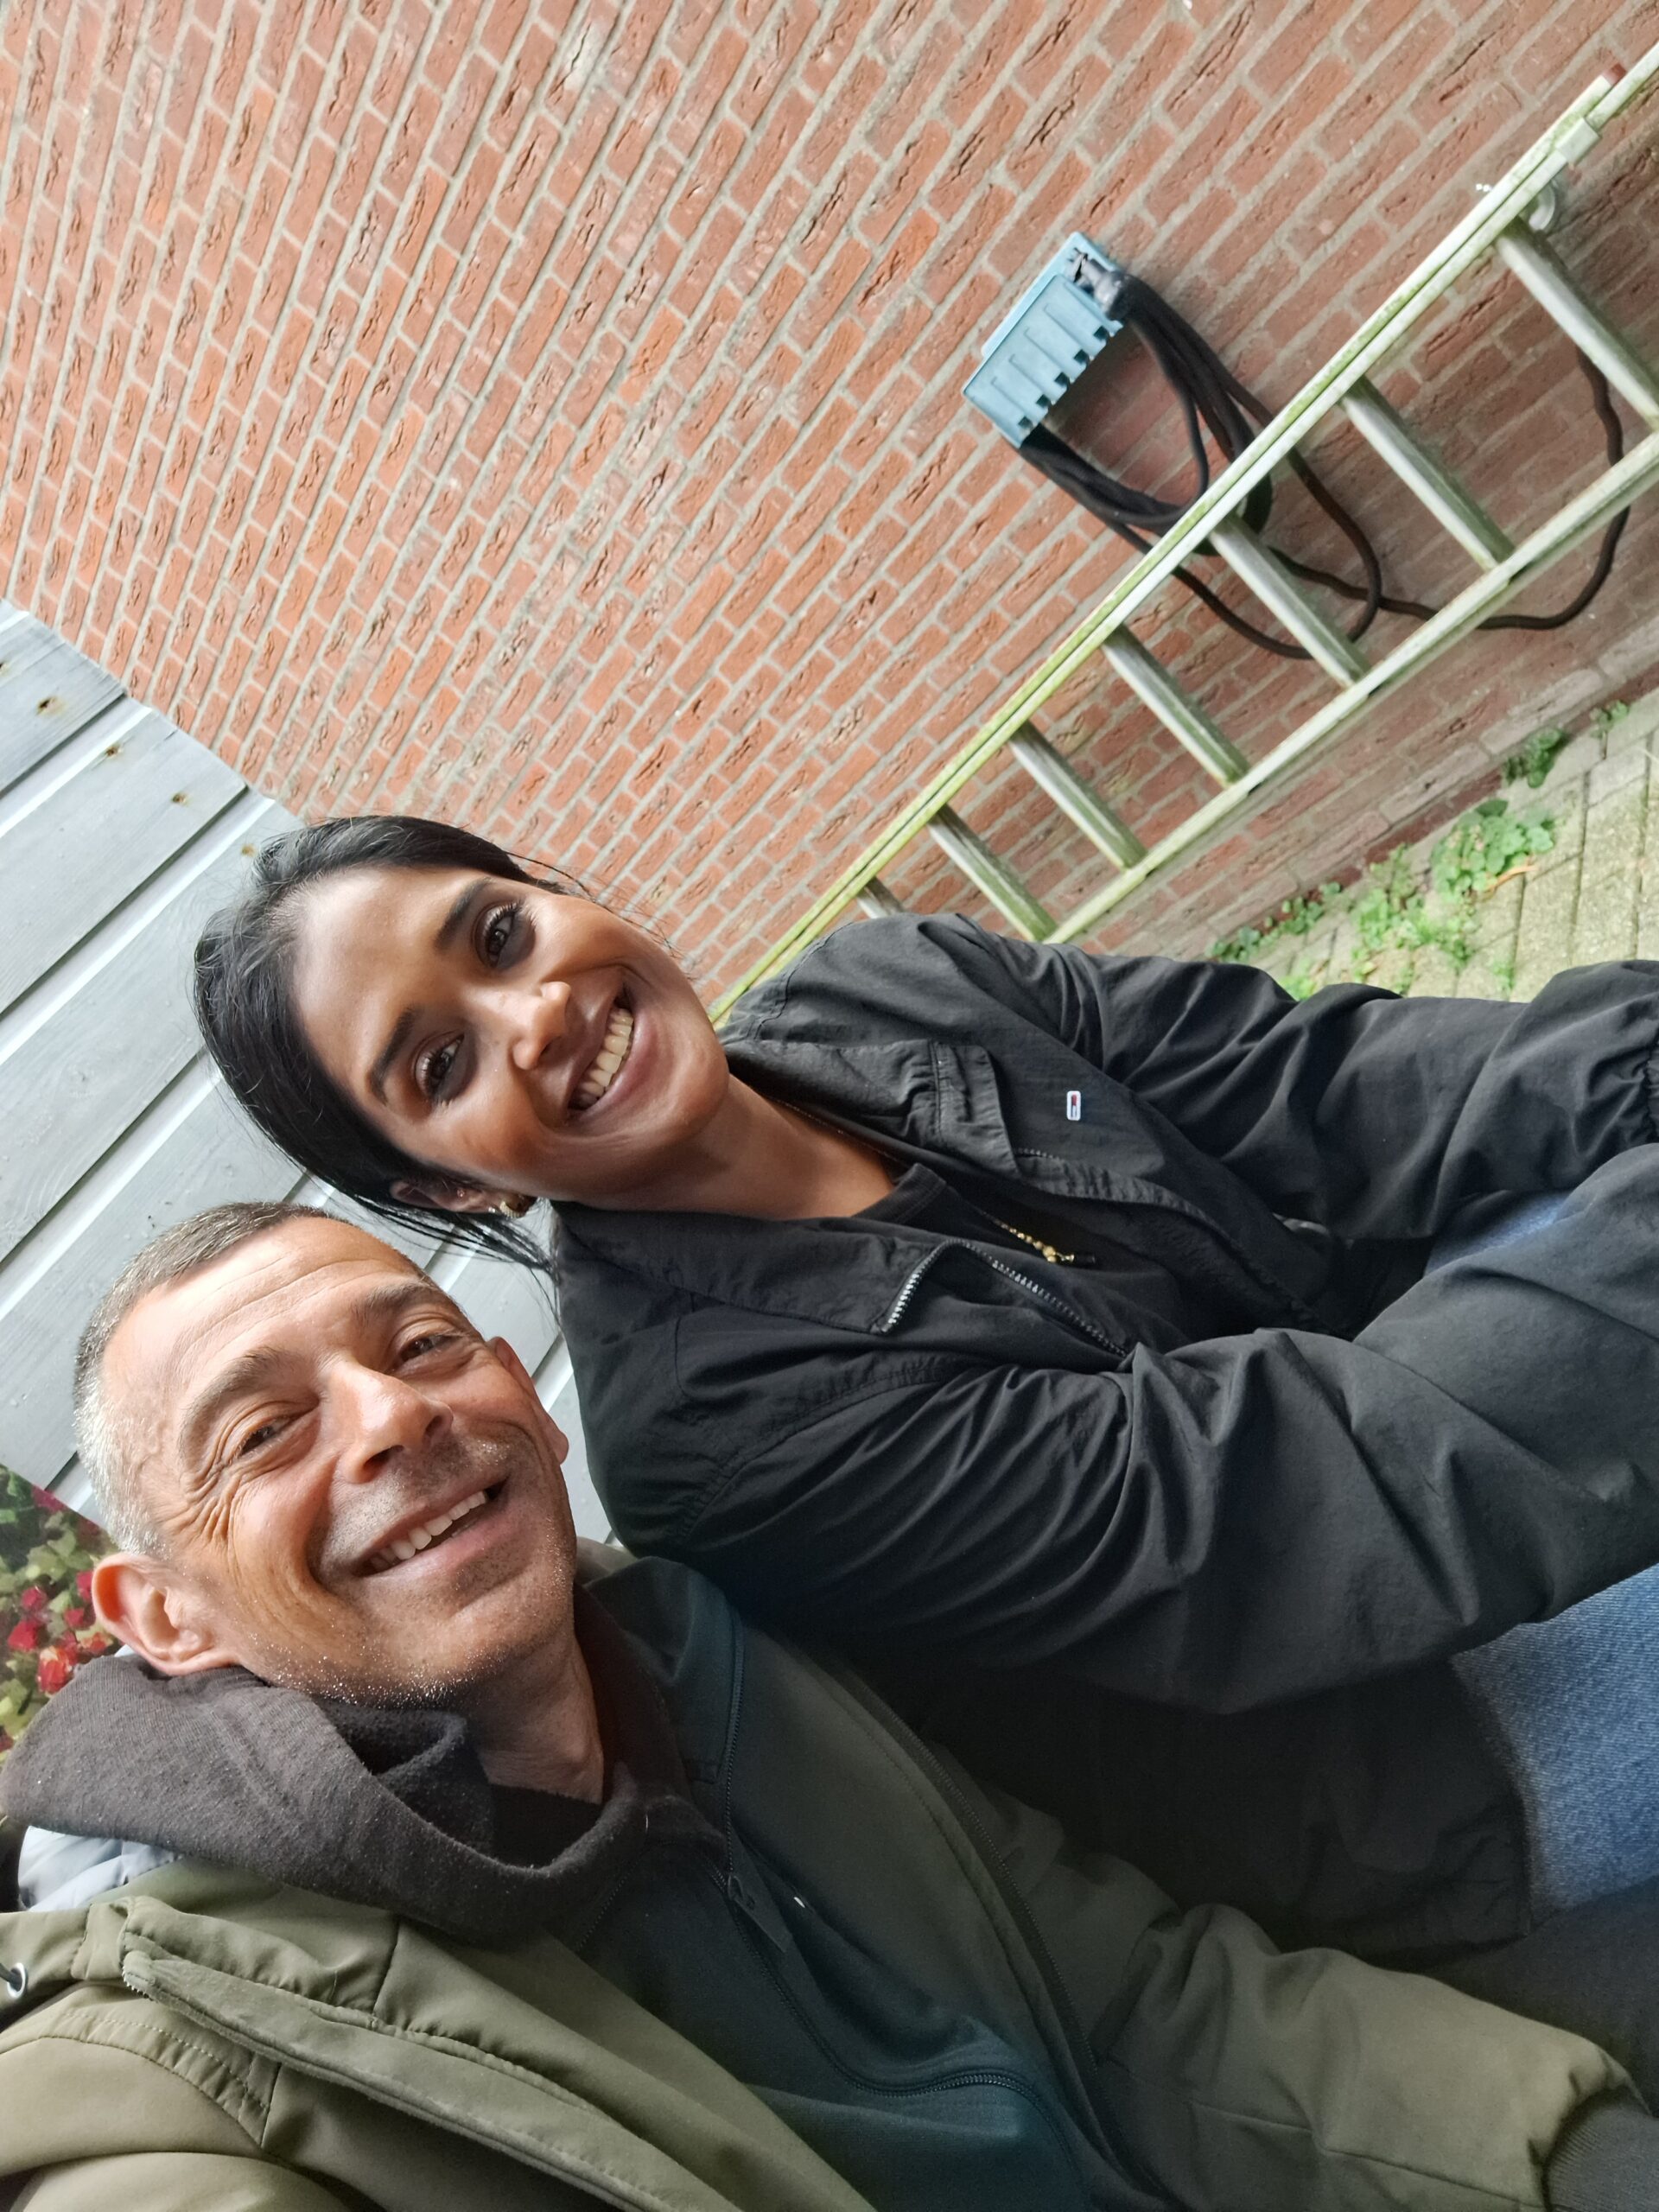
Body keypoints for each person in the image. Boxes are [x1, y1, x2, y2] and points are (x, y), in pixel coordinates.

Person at [190, 816, 1659, 1959]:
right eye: (443, 1064)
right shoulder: (719, 1444)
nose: (538, 1015)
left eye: (502, 933)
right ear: (448, 1183)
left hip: (1426, 1404)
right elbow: (1308, 1502)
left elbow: (1328, 1085)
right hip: (1424, 1754)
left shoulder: (896, 987)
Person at [2, 1199, 1656, 2212]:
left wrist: (1558, 2157)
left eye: (424, 1344)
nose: (388, 1419)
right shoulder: (181, 2074)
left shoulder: (713, 1654)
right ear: (167, 1618)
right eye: (264, 1433)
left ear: (532, 1409)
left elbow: (1134, 2002)